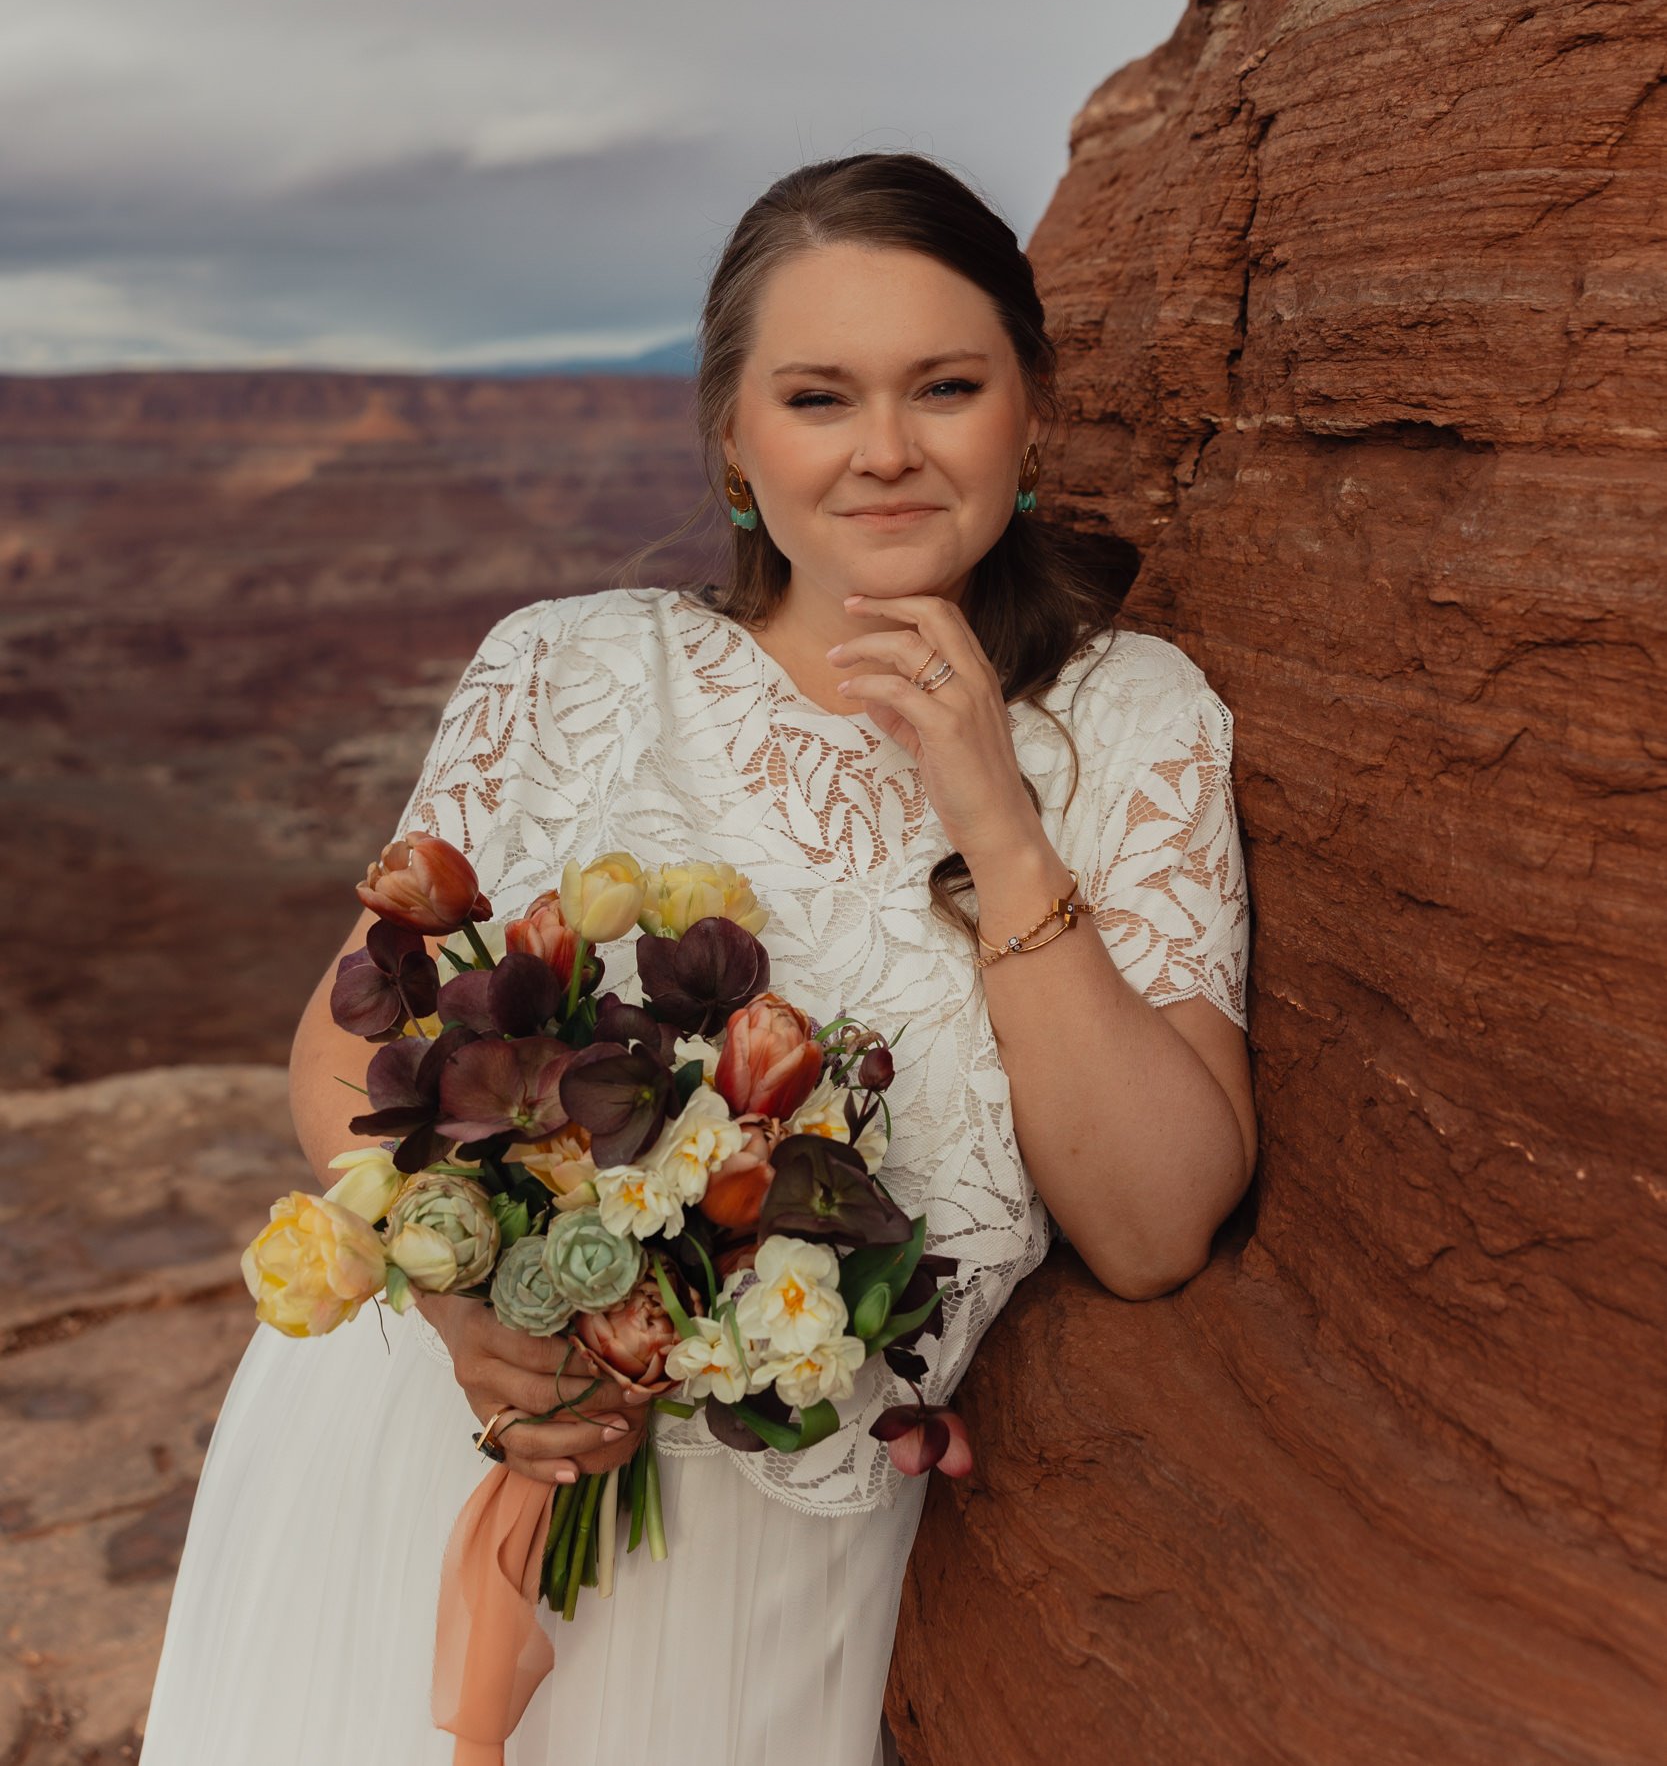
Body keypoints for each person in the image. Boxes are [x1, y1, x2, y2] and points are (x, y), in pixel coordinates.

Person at [139, 150, 1256, 1766]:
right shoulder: (566, 662)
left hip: (762, 1569)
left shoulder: (1138, 718)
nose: (886, 450)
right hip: (409, 1447)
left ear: (1033, 409)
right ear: (733, 437)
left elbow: (1153, 1226)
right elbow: (337, 1048)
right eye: (819, 398)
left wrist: (994, 815)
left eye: (946, 385)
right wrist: (462, 1299)